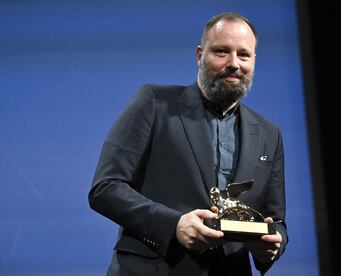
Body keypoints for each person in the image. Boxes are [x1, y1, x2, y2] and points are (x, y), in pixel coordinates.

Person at [89, 12, 288, 276]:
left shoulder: (268, 134)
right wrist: (174, 225)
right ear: (199, 55)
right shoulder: (155, 103)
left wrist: (274, 246)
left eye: (243, 55)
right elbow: (106, 188)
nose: (233, 63)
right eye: (221, 51)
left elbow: (277, 220)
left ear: (253, 60)